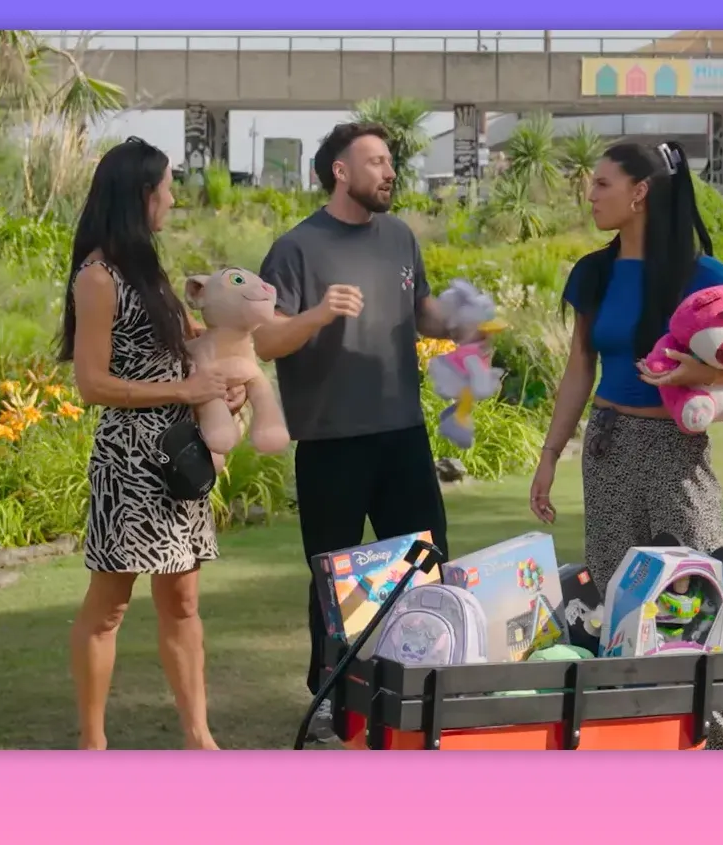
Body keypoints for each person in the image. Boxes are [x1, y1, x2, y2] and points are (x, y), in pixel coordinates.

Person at [527, 140, 723, 751]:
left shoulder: (701, 276)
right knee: (619, 603)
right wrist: (548, 456)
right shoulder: (594, 272)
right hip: (608, 448)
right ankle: (644, 739)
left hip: (674, 452)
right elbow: (578, 369)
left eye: (601, 184)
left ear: (639, 193)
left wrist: (697, 377)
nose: (590, 195)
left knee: (708, 597)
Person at [255, 121, 462, 744]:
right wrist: (319, 313)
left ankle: (431, 688)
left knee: (427, 566)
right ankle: (326, 698)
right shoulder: (295, 249)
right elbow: (266, 339)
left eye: (390, 160)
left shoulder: (399, 237)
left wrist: (460, 321)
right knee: (334, 576)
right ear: (340, 171)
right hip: (331, 441)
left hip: (402, 433)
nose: (388, 170)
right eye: (375, 161)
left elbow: (420, 312)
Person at [60, 137, 245, 751]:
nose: (171, 198)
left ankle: (199, 739)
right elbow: (92, 383)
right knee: (109, 604)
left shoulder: (150, 271)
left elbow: (186, 354)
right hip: (130, 461)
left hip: (178, 454)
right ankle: (92, 743)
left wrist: (216, 390)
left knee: (184, 599)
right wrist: (183, 387)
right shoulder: (97, 276)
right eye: (166, 187)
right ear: (142, 194)